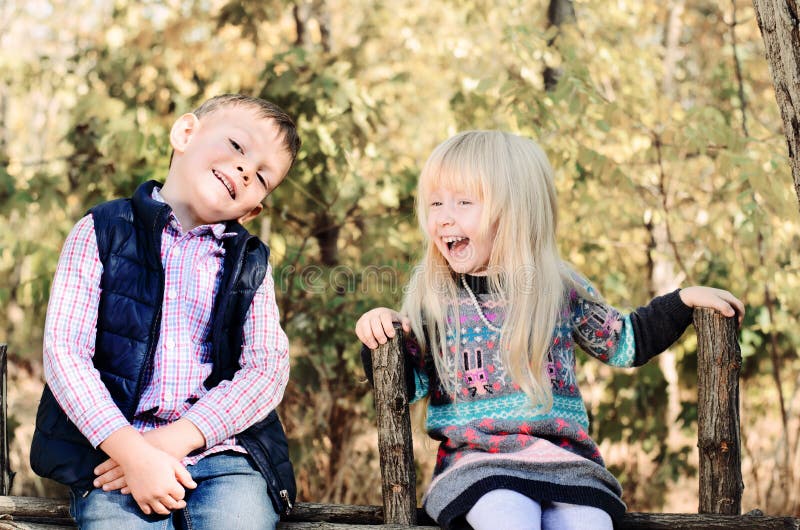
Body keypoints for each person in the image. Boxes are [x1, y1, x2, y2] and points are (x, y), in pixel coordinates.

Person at [355, 130, 744, 530]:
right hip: (477, 462)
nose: (444, 216)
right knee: (507, 515)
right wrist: (380, 333)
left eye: (463, 202)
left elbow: (624, 342)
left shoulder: (556, 289)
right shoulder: (434, 298)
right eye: (435, 202)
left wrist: (681, 301)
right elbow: (408, 383)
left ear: (514, 212)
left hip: (563, 459)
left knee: (590, 522)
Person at [30, 94, 301, 530]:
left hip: (221, 451)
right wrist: (133, 453)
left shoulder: (249, 261)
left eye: (262, 176)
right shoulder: (102, 230)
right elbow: (66, 354)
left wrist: (170, 441)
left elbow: (265, 371)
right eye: (237, 146)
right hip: (114, 454)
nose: (246, 169)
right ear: (185, 133)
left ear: (253, 208)